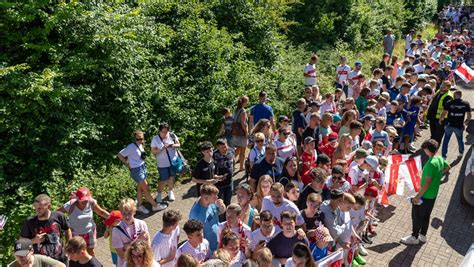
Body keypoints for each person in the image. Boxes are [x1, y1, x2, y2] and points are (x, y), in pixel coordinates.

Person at [400, 139, 450, 245]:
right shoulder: (440, 158)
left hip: (425, 196)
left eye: (424, 149)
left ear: (427, 149)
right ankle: (423, 235)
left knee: (417, 216)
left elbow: (427, 183)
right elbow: (447, 167)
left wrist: (417, 197)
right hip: (433, 195)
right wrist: (438, 177)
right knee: (426, 216)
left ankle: (414, 237)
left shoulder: (429, 165)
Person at [118, 130, 166, 214]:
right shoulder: (131, 147)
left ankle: (139, 206)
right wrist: (127, 164)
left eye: (142, 139)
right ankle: (155, 206)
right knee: (146, 189)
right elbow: (120, 155)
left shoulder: (140, 145)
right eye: (138, 139)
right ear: (134, 139)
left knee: (140, 189)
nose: (140, 141)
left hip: (142, 167)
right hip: (136, 170)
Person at [57, 187, 109, 256]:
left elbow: (101, 212)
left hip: (89, 232)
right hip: (75, 234)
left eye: (86, 199)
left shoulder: (91, 202)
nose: (85, 201)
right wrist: (65, 225)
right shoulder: (70, 204)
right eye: (82, 200)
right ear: (77, 198)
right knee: (76, 254)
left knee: (90, 253)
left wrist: (114, 218)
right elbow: (57, 214)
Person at [20, 194, 71, 263]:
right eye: (36, 207)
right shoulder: (30, 222)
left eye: (40, 208)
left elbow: (67, 230)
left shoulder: (58, 216)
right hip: (40, 262)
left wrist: (68, 247)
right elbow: (21, 241)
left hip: (60, 259)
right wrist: (34, 240)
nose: (37, 210)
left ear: (49, 206)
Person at [111, 198, 150, 267]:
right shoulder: (116, 231)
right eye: (124, 214)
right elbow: (122, 255)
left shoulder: (142, 224)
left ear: (134, 211)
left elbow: (148, 248)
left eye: (129, 213)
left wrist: (126, 246)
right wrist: (139, 240)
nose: (127, 217)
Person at [189, 184, 226, 253]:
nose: (217, 198)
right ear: (206, 198)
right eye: (214, 197)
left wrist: (222, 206)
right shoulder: (196, 215)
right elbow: (195, 237)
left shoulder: (211, 202)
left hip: (219, 243)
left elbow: (222, 211)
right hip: (210, 250)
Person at [151, 123, 181, 203]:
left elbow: (178, 144)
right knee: (163, 179)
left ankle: (170, 192)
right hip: (162, 163)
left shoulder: (172, 135)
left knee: (171, 177)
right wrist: (161, 149)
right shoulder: (155, 139)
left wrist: (173, 146)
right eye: (163, 132)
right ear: (159, 131)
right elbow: (153, 151)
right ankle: (159, 195)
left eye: (166, 131)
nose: (165, 134)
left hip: (173, 161)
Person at [440, 90, 471, 159]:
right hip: (459, 126)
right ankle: (461, 153)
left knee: (446, 141)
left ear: (454, 95)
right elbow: (469, 115)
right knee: (460, 140)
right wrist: (466, 122)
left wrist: (440, 119)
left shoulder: (449, 103)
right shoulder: (466, 103)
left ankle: (443, 157)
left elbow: (444, 112)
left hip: (449, 125)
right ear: (461, 95)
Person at [213, 139, 235, 206]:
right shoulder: (214, 155)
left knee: (228, 201)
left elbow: (233, 161)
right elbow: (211, 170)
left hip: (229, 182)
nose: (225, 149)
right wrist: (216, 177)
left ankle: (226, 215)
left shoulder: (231, 151)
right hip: (218, 185)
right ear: (217, 147)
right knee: (218, 203)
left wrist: (232, 169)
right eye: (222, 148)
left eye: (226, 146)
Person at [233, 96, 250, 171]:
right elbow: (243, 124)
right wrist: (246, 132)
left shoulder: (236, 110)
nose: (248, 103)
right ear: (244, 102)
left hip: (235, 132)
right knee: (243, 151)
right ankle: (241, 167)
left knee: (238, 149)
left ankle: (230, 162)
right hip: (241, 133)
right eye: (247, 101)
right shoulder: (243, 111)